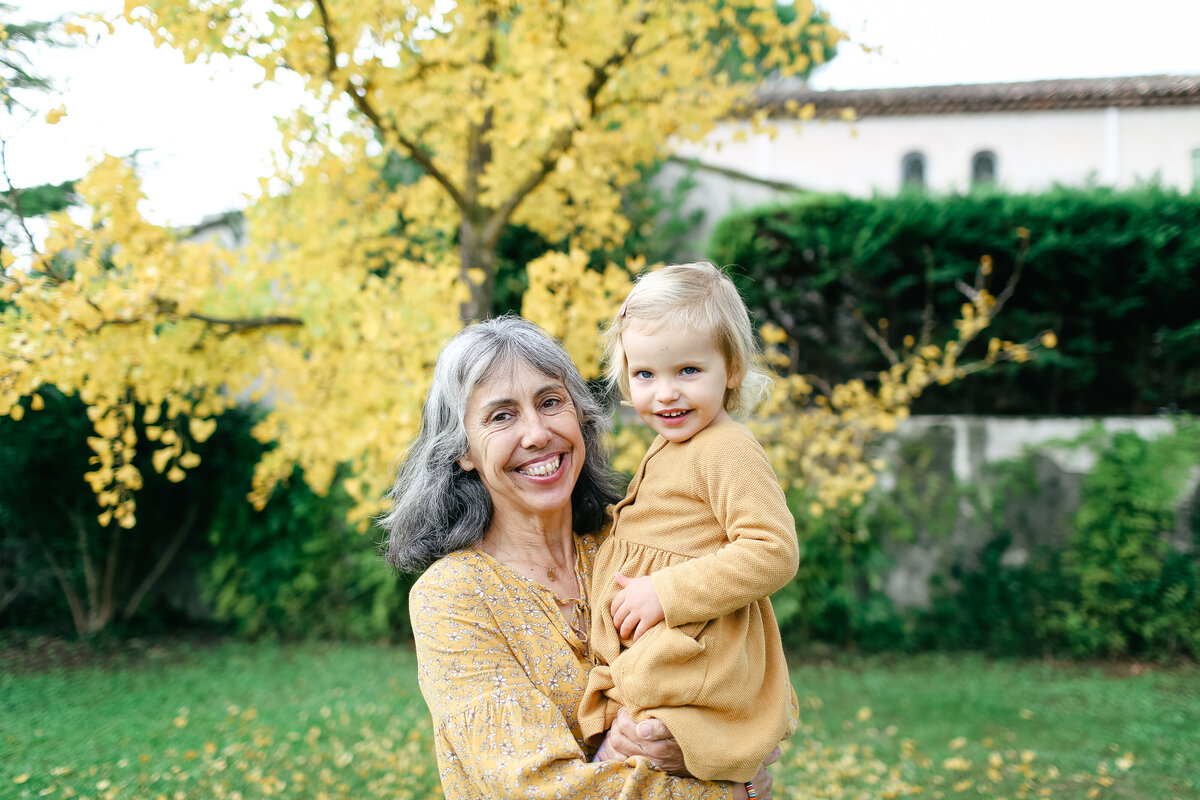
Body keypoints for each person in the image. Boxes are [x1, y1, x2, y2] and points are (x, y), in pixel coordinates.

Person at [379, 315, 777, 799]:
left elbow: (744, 669)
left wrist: (721, 748)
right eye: (501, 416)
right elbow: (535, 788)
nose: (537, 434)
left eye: (550, 403)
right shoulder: (452, 598)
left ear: (581, 418)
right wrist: (724, 793)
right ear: (463, 450)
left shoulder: (636, 549)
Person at [578, 262, 800, 786]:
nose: (665, 393)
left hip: (694, 647)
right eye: (645, 374)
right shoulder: (674, 442)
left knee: (644, 750)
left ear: (733, 369)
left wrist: (666, 591)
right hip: (665, 648)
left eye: (688, 372)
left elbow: (773, 549)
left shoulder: (726, 446)